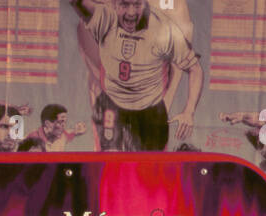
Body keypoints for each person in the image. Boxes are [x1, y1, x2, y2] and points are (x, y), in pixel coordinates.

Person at [69, 0, 203, 151]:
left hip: (150, 111)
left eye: (137, 5)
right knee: (111, 165)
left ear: (146, 5)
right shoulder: (105, 17)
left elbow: (195, 69)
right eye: (125, 5)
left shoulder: (163, 29)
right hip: (112, 105)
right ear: (115, 5)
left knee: (150, 168)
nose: (131, 12)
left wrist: (189, 111)